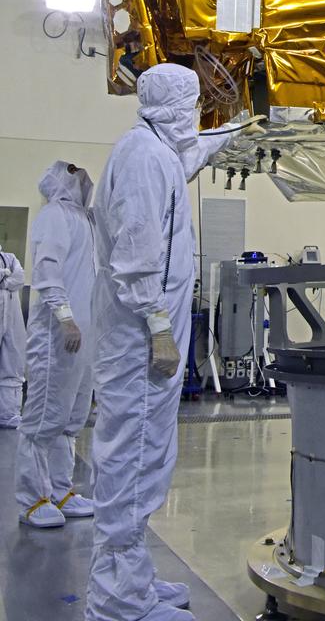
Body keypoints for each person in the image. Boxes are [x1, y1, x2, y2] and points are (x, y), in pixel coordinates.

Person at [85, 63, 263, 621]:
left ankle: (131, 575)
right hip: (140, 338)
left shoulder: (156, 151)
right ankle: (117, 600)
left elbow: (190, 155)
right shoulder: (142, 158)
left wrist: (239, 124)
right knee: (132, 460)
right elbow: (137, 255)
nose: (196, 114)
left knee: (147, 458)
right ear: (173, 107)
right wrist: (158, 326)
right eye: (193, 105)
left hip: (146, 333)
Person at [16, 160, 97, 528]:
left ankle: (61, 490)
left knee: (70, 420)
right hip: (57, 336)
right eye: (75, 174)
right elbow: (47, 269)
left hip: (85, 338)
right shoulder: (54, 216)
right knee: (43, 419)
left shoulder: (85, 220)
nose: (83, 178)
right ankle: (32, 499)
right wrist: (65, 316)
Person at [0, 240, 26, 429]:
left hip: (12, 314)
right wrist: (6, 275)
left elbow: (19, 278)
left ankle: (8, 413)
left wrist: (4, 279)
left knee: (13, 361)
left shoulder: (9, 258)